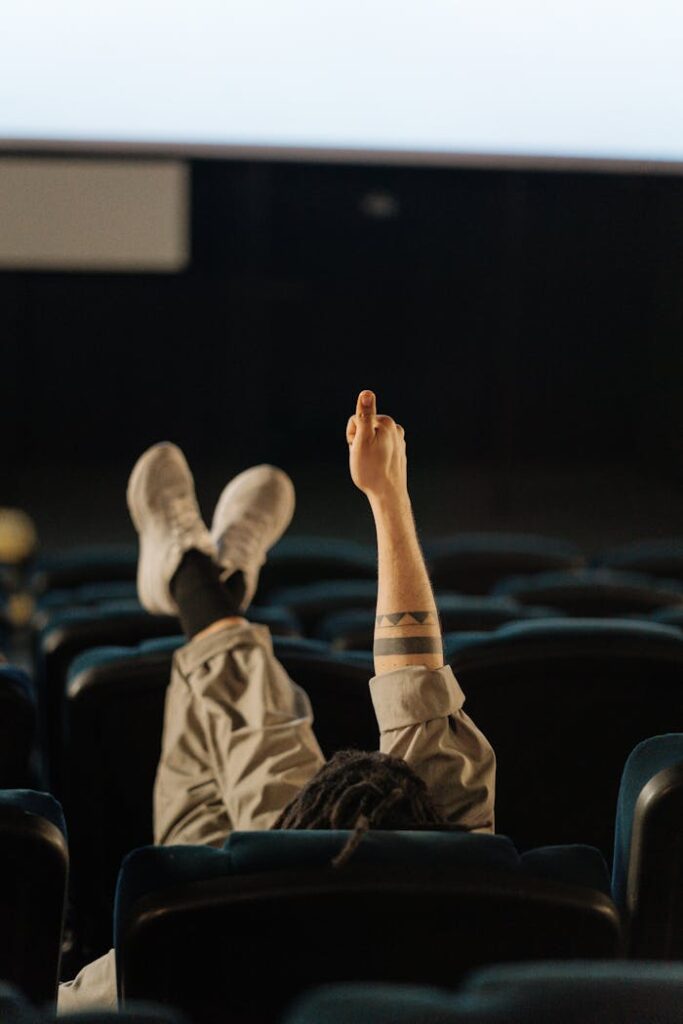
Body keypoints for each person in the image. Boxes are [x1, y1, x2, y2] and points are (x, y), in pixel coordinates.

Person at [58, 389, 495, 1012]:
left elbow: (50, 1009)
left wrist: (388, 495)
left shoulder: (175, 941)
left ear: (285, 845)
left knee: (262, 739)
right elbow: (416, 687)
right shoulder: (481, 891)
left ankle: (196, 579)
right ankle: (201, 582)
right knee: (221, 743)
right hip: (245, 901)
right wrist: (388, 499)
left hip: (231, 917)